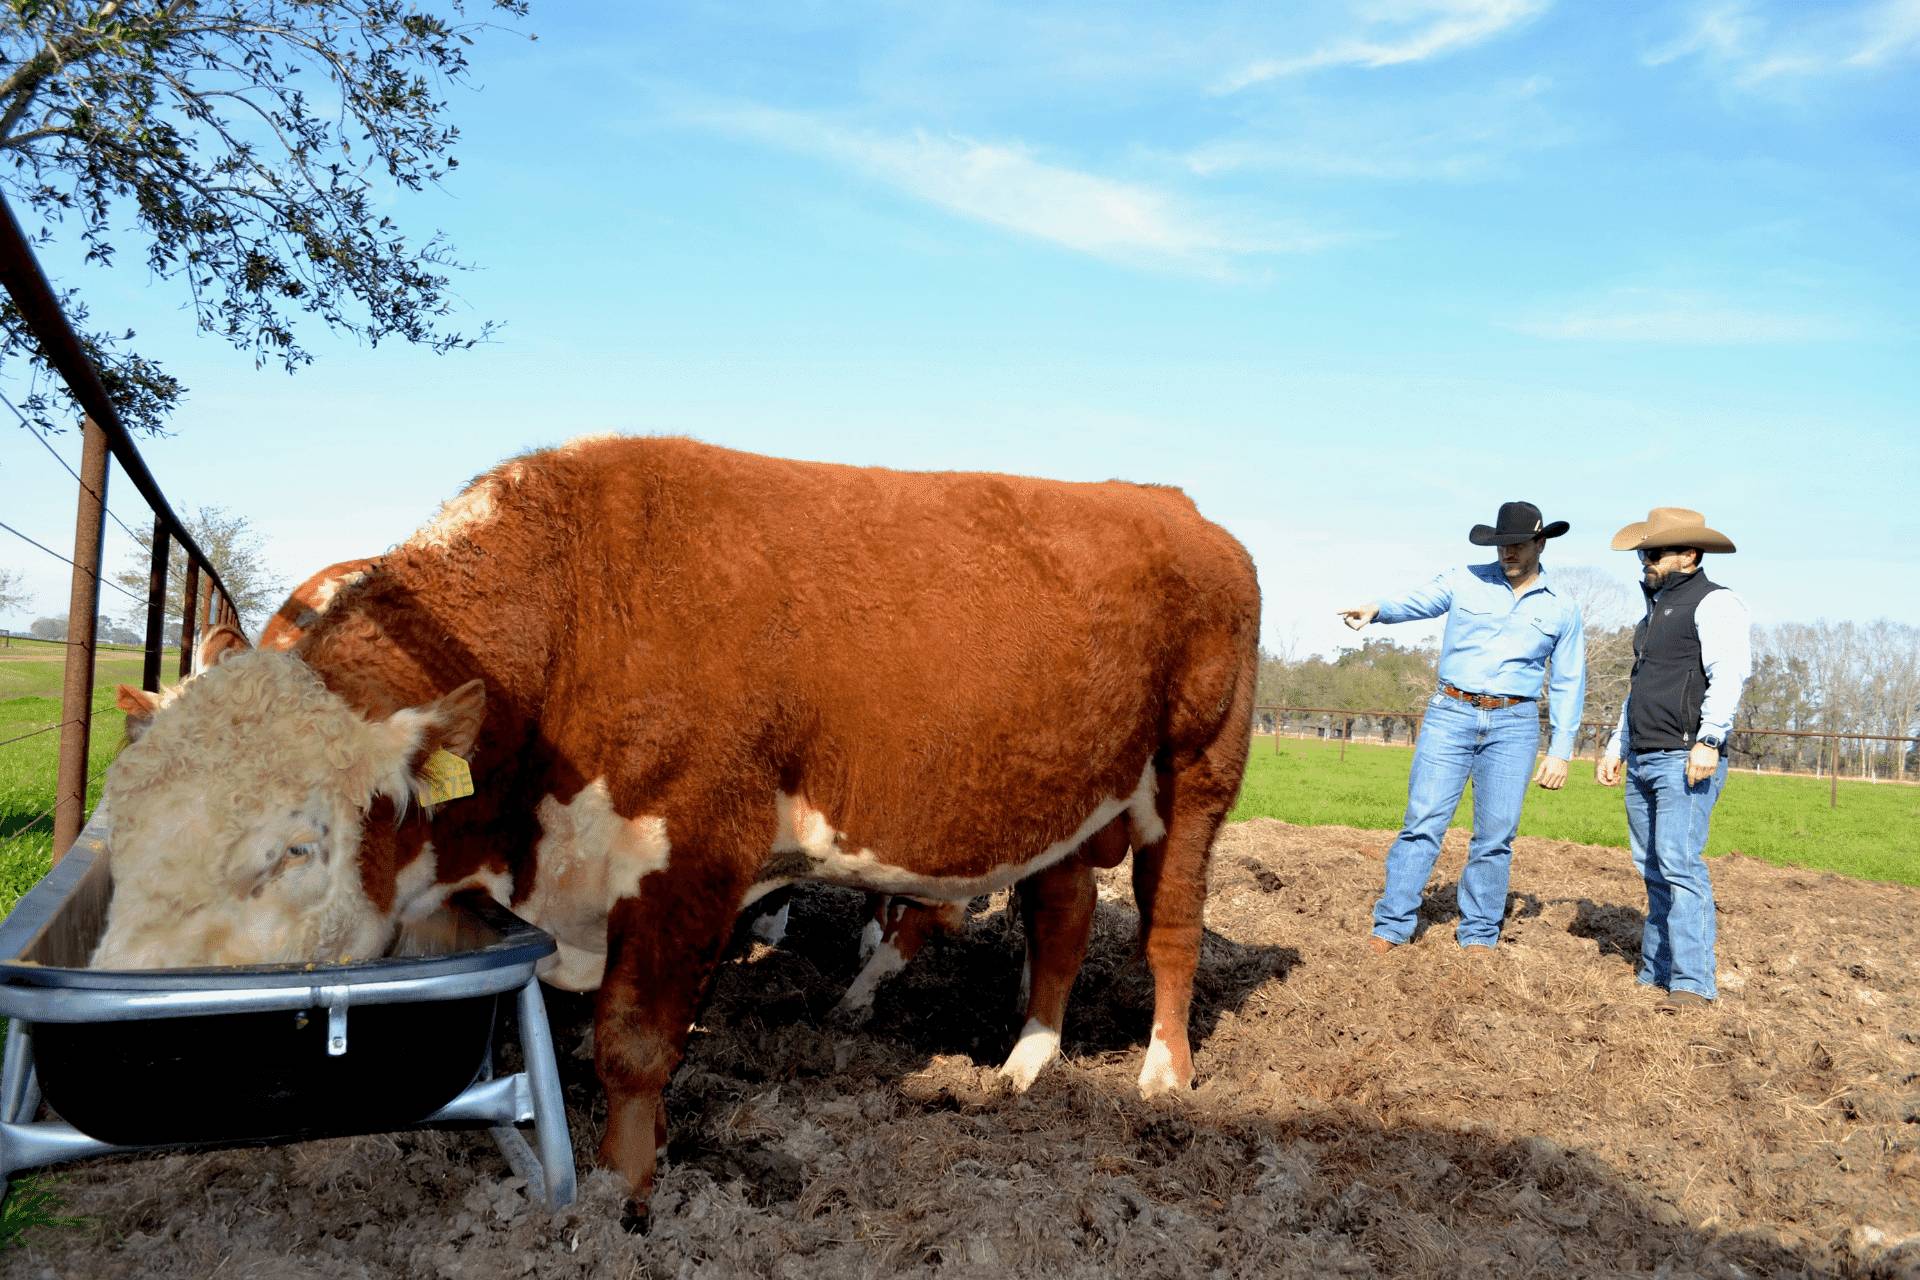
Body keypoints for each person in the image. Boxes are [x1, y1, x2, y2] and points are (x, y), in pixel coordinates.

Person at [1340, 502, 1586, 953]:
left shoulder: (1562, 609)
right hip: (1451, 713)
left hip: (1515, 723)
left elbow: (1570, 681)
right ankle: (1392, 926)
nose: (1506, 552)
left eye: (1516, 544)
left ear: (1540, 543)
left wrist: (1562, 748)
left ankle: (1479, 934)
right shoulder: (1464, 579)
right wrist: (1377, 610)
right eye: (1500, 544)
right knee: (1423, 822)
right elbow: (1417, 601)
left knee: (1496, 834)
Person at [1596, 507, 1751, 1009]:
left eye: (1655, 551)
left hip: (1685, 756)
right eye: (1644, 552)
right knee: (1651, 866)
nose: (1646, 559)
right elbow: (1638, 687)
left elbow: (1729, 674)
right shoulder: (1653, 613)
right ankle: (1655, 971)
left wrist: (1709, 740)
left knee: (1680, 864)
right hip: (1644, 756)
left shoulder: (1715, 603)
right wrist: (1618, 744)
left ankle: (1691, 983)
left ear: (1689, 555)